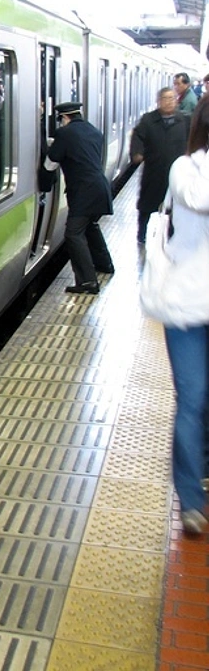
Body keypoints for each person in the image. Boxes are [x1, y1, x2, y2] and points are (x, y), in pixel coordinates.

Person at [161, 96, 209, 534]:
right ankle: (192, 499)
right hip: (188, 305)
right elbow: (197, 199)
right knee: (191, 400)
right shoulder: (186, 170)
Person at [43, 102, 114, 294]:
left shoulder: (65, 134)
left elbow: (51, 163)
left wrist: (44, 184)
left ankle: (87, 282)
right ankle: (105, 264)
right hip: (100, 187)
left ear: (64, 118)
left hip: (83, 192)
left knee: (73, 234)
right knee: (89, 226)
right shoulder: (93, 131)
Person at [130, 87, 190, 243]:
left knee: (174, 208)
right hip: (153, 171)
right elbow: (137, 137)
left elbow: (193, 140)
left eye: (172, 98)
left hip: (176, 174)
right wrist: (137, 153)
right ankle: (141, 234)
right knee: (146, 206)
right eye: (166, 98)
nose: (169, 101)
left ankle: (171, 236)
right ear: (159, 101)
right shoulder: (148, 120)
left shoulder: (184, 121)